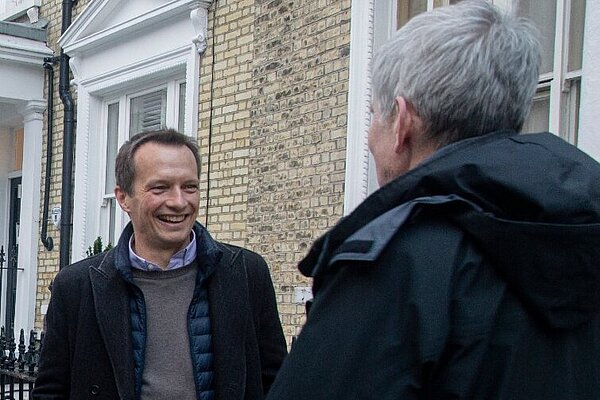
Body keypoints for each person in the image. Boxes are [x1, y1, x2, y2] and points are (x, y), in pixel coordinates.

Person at [266, 1, 600, 399]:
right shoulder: (582, 234)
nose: (371, 136)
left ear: (402, 123)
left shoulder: (394, 262)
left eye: (375, 114)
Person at [33, 129, 287, 400]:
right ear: (123, 198)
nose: (178, 202)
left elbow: (278, 382)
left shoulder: (247, 274)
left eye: (189, 187)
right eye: (160, 188)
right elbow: (51, 391)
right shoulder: (76, 287)